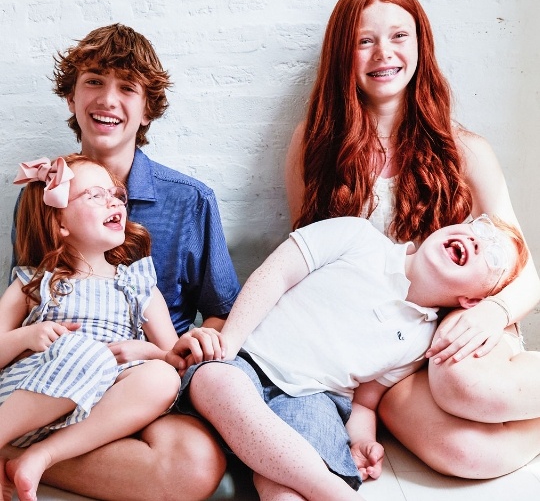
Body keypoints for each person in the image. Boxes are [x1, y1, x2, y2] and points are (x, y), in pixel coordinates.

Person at [284, 0, 540, 479]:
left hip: (455, 321)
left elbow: (526, 269)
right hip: (381, 347)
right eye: (364, 40)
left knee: (468, 389)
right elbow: (304, 259)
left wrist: (492, 314)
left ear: (420, 44)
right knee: (468, 455)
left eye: (399, 36)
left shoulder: (465, 149)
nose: (384, 53)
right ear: (343, 52)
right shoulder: (310, 145)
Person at [5, 25, 241, 500]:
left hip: (135, 387)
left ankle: (15, 458)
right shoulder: (43, 199)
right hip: (49, 383)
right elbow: (34, 296)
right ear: (71, 97)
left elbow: (222, 311)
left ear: (147, 108)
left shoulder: (190, 200)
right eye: (93, 81)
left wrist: (181, 349)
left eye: (127, 87)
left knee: (195, 466)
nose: (107, 99)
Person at [165, 214, 526, 500]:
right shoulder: (357, 237)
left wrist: (361, 441)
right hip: (248, 358)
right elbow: (274, 275)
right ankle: (330, 491)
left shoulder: (422, 338)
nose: (480, 240)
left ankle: (304, 482)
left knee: (286, 488)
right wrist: (230, 341)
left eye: (493, 256)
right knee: (215, 378)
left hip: (314, 399)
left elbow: (366, 400)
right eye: (479, 226)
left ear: (473, 302)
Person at [1, 154, 181, 501]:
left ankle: (41, 456)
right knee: (87, 352)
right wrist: (26, 336)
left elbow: (175, 358)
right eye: (95, 196)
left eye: (116, 195)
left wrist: (149, 352)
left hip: (92, 415)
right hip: (26, 401)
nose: (113, 200)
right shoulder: (34, 282)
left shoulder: (138, 284)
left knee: (163, 377)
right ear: (60, 225)